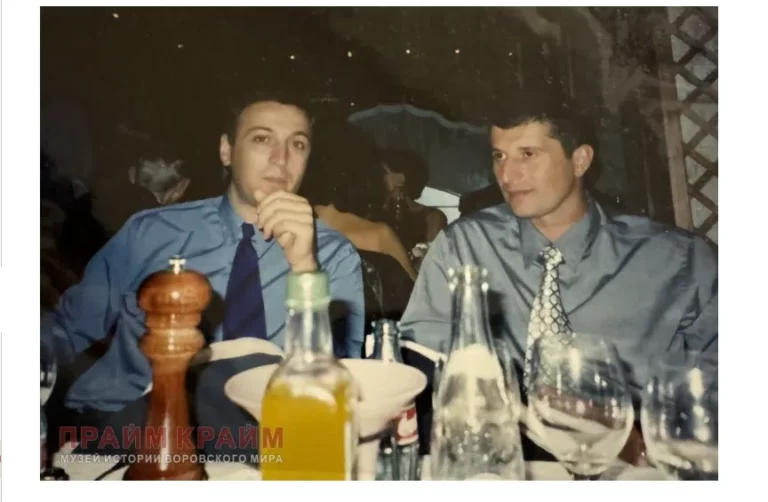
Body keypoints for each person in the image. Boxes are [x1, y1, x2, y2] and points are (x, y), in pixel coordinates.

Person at [41, 91, 366, 454]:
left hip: (266, 441)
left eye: (298, 144)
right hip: (127, 432)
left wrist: (305, 266)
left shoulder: (333, 255)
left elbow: (345, 380)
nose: (281, 158)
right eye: (262, 139)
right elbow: (67, 328)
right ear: (226, 151)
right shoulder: (152, 232)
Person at [398, 95, 717, 462]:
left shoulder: (678, 261)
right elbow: (422, 369)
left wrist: (650, 440)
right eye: (499, 156)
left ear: (580, 160)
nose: (507, 175)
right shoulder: (464, 246)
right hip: (502, 465)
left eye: (527, 154)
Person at [379, 148, 448, 251]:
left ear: (401, 178)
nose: (378, 177)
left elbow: (432, 256)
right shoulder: (374, 212)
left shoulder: (433, 218)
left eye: (383, 172)